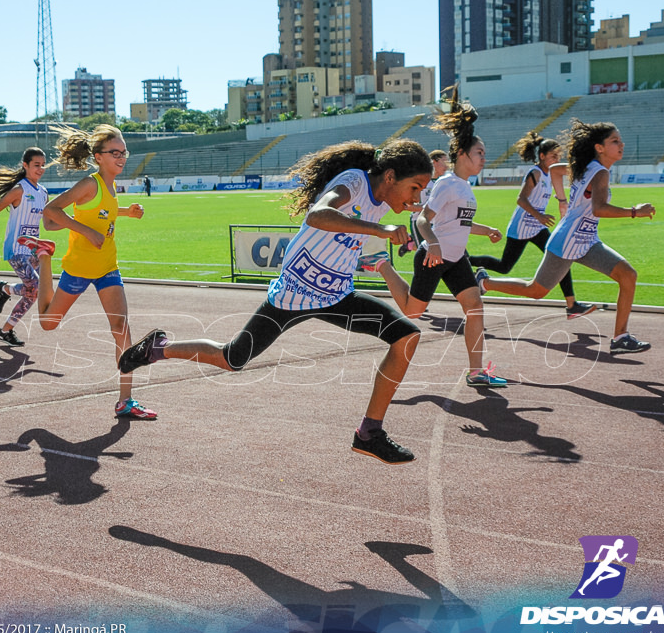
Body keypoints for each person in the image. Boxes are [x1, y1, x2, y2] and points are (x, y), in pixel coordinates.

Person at [119, 139, 433, 464]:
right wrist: (381, 229)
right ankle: (158, 347)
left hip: (335, 294)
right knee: (233, 358)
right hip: (293, 293)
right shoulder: (355, 181)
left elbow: (415, 217)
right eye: (415, 187)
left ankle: (370, 433)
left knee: (406, 336)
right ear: (391, 176)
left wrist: (415, 231)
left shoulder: (389, 204)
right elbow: (318, 215)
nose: (416, 197)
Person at [476, 119, 654, 354]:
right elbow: (598, 208)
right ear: (599, 148)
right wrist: (635, 212)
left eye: (620, 140)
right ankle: (485, 282)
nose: (621, 144)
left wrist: (563, 201)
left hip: (587, 241)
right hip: (567, 241)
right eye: (615, 141)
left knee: (628, 275)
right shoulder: (599, 173)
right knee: (536, 291)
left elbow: (556, 170)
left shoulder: (586, 166)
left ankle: (620, 336)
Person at [372, 88, 507, 387]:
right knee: (413, 312)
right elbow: (423, 219)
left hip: (456, 258)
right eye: (479, 153)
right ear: (462, 155)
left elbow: (460, 223)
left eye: (484, 153)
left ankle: (476, 372)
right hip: (434, 256)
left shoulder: (466, 187)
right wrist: (432, 243)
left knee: (475, 308)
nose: (484, 158)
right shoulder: (447, 184)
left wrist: (487, 231)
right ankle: (382, 265)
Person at [37, 124, 157, 420]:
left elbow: (103, 212)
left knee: (122, 329)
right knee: (48, 323)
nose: (121, 157)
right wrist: (86, 232)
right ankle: (44, 258)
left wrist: (128, 211)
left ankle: (125, 401)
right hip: (78, 268)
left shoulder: (111, 185)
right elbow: (51, 211)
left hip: (107, 267)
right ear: (98, 156)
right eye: (114, 152)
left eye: (124, 152)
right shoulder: (89, 183)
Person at [468, 131, 595, 319]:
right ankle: (467, 262)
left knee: (561, 257)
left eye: (559, 156)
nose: (556, 159)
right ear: (542, 156)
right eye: (553, 156)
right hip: (521, 228)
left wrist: (560, 202)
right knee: (504, 267)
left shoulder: (550, 174)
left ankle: (572, 305)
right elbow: (521, 199)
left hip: (537, 228)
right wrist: (540, 216)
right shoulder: (535, 173)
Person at [0, 146, 55, 347]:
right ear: (25, 165)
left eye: (43, 165)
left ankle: (5, 291)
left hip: (33, 251)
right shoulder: (19, 190)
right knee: (34, 290)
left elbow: (48, 224)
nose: (40, 169)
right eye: (36, 165)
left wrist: (71, 222)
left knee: (38, 291)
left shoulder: (43, 192)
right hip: (16, 249)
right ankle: (6, 328)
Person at [400, 149, 448, 256]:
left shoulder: (443, 182)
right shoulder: (421, 181)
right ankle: (410, 244)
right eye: (444, 162)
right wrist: (430, 208)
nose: (447, 166)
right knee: (424, 254)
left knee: (441, 253)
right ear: (434, 162)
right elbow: (407, 206)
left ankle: (409, 244)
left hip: (437, 223)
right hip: (419, 222)